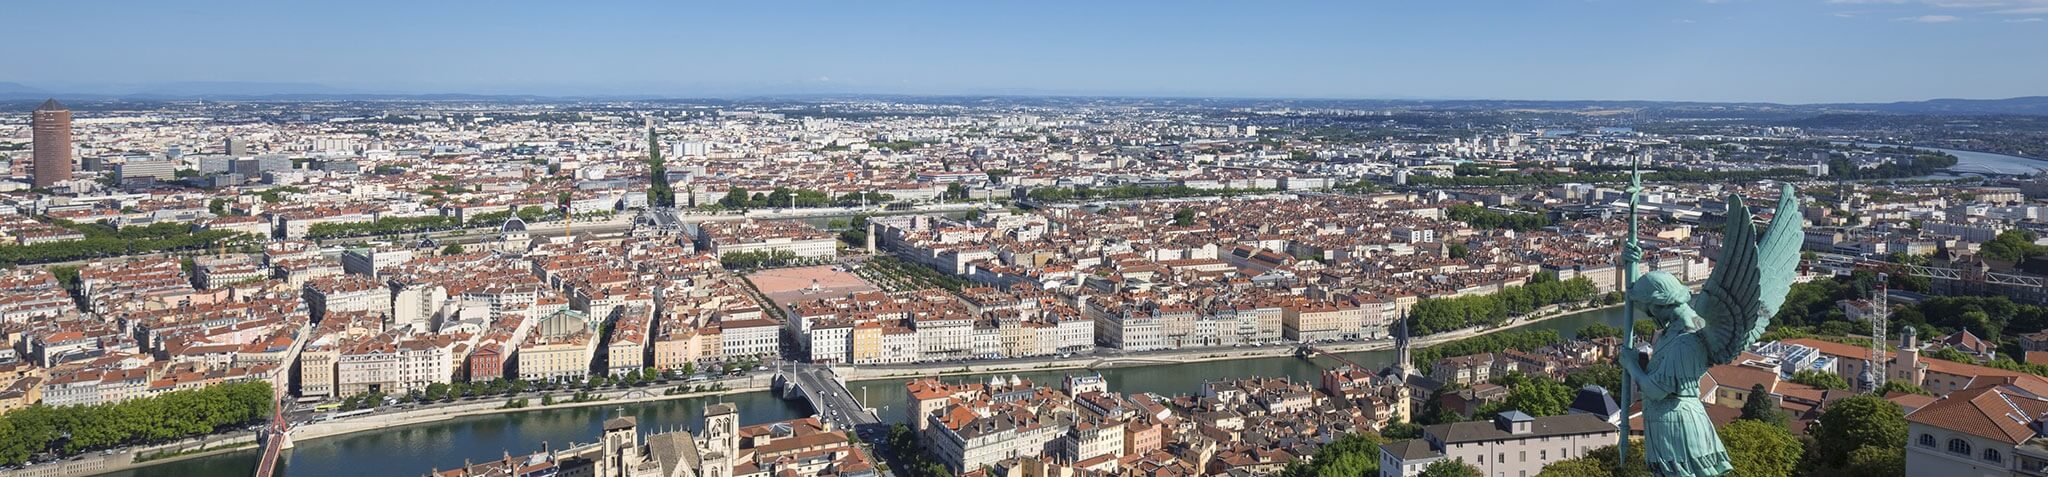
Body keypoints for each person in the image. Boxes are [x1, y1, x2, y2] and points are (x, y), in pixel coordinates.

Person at [1620, 270, 1733, 477]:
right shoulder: (1676, 329)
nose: (1651, 317)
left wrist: (1631, 365)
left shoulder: (1687, 338)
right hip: (1670, 420)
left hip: (1677, 424)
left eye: (1649, 310)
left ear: (1659, 303)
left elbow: (1656, 390)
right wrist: (1630, 263)